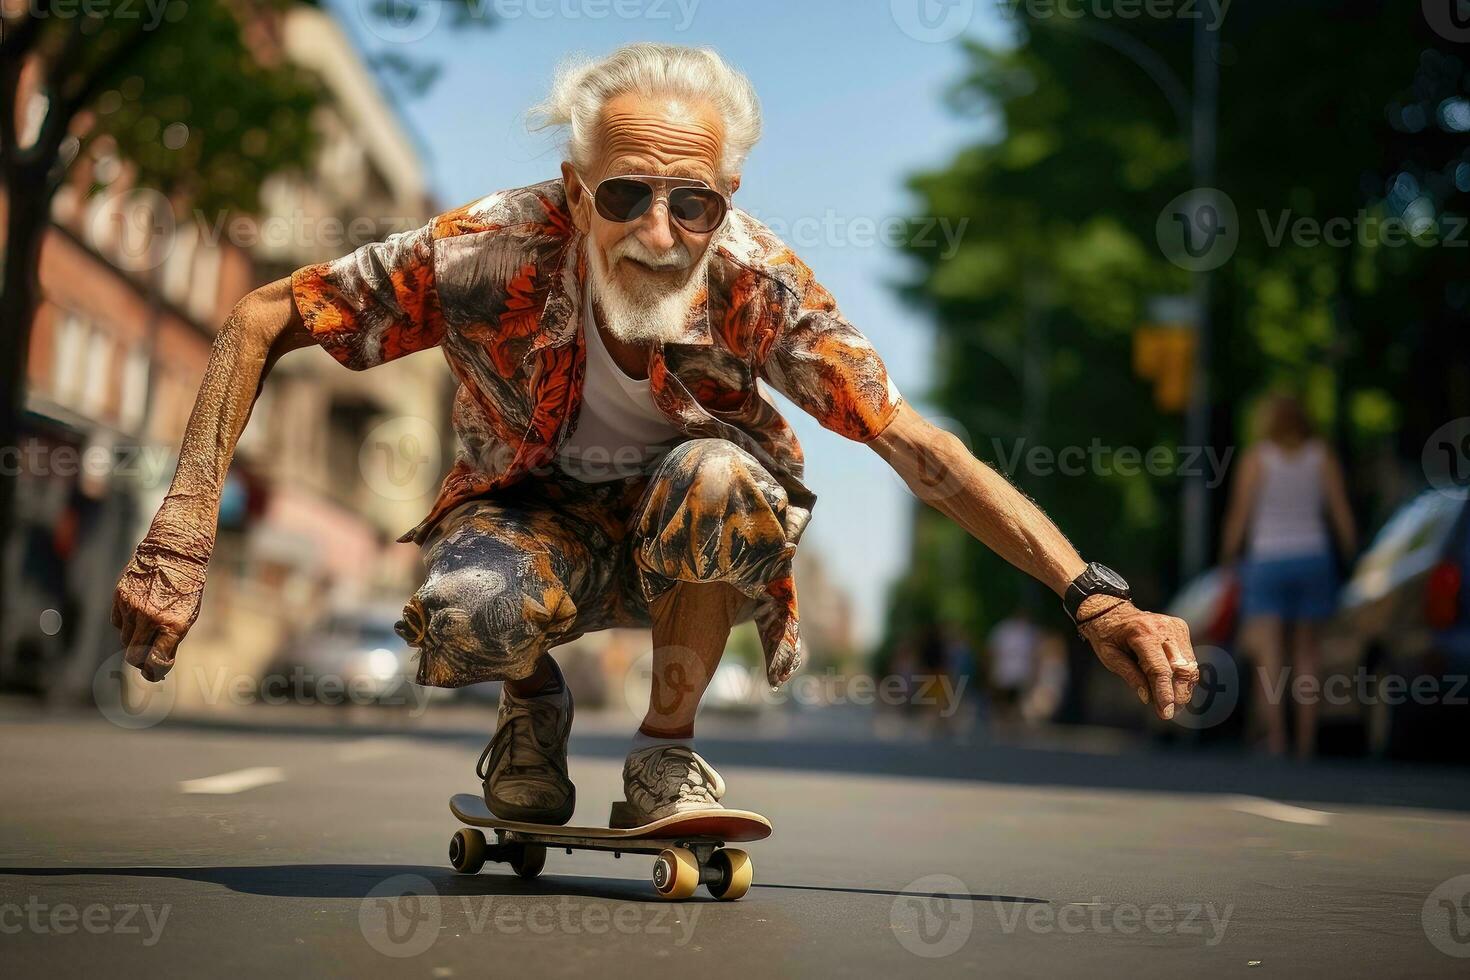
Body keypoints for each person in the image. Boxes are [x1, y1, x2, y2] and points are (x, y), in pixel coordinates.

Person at [112, 43, 1198, 827]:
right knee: (465, 608)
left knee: (723, 471)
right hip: (528, 530)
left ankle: (665, 754)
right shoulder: (486, 248)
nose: (659, 233)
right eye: (626, 194)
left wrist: (1089, 591)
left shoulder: (758, 285)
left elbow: (916, 445)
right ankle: (531, 706)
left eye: (694, 204)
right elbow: (264, 316)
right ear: (577, 192)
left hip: (689, 544)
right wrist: (181, 526)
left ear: (729, 200)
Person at [1220, 392, 1358, 758]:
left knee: (1271, 655)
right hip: (1313, 557)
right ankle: (1307, 739)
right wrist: (1351, 554)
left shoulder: (1257, 458)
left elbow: (1240, 515)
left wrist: (1228, 557)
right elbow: (1340, 510)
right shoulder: (1321, 455)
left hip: (1267, 559)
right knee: (1307, 654)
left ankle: (1278, 738)